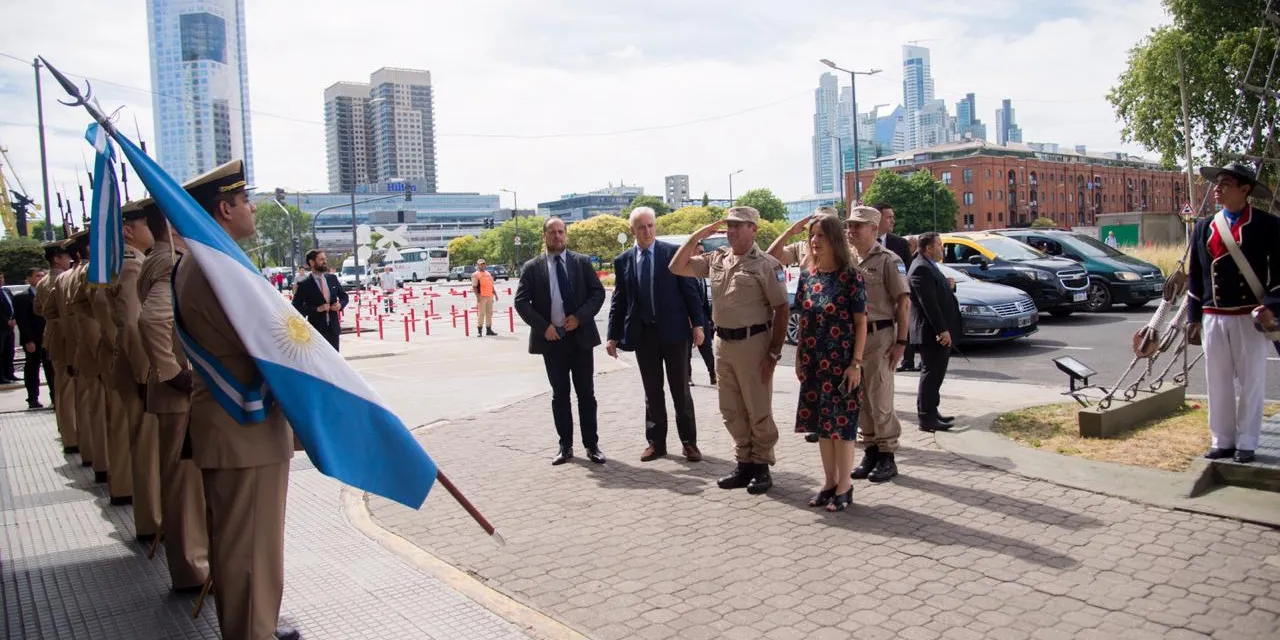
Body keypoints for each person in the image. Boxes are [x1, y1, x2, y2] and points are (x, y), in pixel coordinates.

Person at [173, 159, 299, 640]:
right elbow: (274, 343)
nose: (252, 207)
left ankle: (255, 627)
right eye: (246, 200)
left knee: (240, 547)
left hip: (229, 427)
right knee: (249, 550)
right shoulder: (216, 268)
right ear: (224, 209)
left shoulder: (199, 263)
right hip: (242, 427)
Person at [670, 207, 789, 495]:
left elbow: (782, 308)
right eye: (729, 226)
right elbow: (676, 266)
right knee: (730, 408)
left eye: (739, 226)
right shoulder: (718, 258)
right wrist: (700, 234)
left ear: (754, 229)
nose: (732, 231)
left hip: (754, 343)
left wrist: (773, 354)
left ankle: (761, 465)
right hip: (722, 343)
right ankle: (744, 462)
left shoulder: (766, 264)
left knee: (757, 407)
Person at [1186, 161, 1280, 464]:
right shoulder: (1204, 226)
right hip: (1214, 315)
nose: (1217, 188)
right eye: (1217, 183)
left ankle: (1248, 441)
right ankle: (1222, 439)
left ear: (1245, 189)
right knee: (1217, 380)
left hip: (1248, 315)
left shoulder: (1268, 225)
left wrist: (1273, 306)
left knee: (1252, 380)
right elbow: (1196, 274)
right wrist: (1193, 317)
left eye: (1225, 183)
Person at [137, 209, 210, 590]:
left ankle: (191, 561)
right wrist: (174, 374)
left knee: (179, 481)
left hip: (170, 389)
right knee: (184, 485)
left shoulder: (157, 259)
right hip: (178, 390)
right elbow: (151, 320)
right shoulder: (170, 262)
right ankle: (191, 568)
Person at [606, 207, 706, 462]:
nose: (647, 231)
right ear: (633, 231)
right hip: (644, 336)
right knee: (652, 391)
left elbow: (690, 292)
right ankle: (656, 443)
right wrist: (613, 335)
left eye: (650, 225)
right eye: (641, 227)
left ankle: (689, 443)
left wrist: (698, 325)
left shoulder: (672, 254)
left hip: (674, 333)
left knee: (680, 390)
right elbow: (619, 300)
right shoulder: (624, 260)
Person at [514, 217, 607, 465]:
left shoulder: (581, 263)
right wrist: (544, 327)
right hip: (552, 341)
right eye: (552, 232)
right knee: (560, 395)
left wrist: (579, 317)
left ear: (565, 235)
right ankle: (565, 446)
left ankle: (592, 445)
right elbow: (521, 302)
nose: (557, 236)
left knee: (586, 394)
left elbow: (598, 293)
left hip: (580, 339)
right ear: (544, 235)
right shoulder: (532, 268)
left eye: (561, 232)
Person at [793, 213, 867, 511]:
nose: (814, 241)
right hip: (813, 362)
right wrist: (799, 357)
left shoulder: (851, 276)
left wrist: (856, 363)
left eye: (821, 235)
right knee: (823, 427)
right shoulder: (808, 275)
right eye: (812, 235)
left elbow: (861, 322)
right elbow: (803, 321)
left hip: (841, 364)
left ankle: (845, 486)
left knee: (842, 427)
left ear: (835, 239)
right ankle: (829, 482)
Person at [845, 206, 910, 483]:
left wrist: (901, 342)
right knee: (859, 400)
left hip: (880, 336)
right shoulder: (846, 259)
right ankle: (870, 450)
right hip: (852, 338)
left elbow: (903, 302)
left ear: (874, 228)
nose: (851, 230)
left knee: (879, 398)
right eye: (849, 225)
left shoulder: (888, 260)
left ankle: (887, 456)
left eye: (858, 226)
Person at [110, 199, 161, 539]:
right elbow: (132, 325)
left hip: (125, 365)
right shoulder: (131, 266)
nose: (151, 230)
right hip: (139, 368)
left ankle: (151, 516)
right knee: (147, 448)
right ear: (129, 230)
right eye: (146, 224)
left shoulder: (130, 262)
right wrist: (147, 374)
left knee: (144, 445)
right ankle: (153, 520)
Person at [908, 232, 962, 432]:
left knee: (936, 374)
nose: (942, 248)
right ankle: (926, 417)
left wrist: (949, 286)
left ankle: (932, 411)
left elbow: (935, 292)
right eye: (939, 245)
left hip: (936, 332)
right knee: (931, 375)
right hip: (930, 333)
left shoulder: (929, 265)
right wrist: (942, 330)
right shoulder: (921, 268)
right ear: (928, 248)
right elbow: (928, 303)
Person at [37, 241, 78, 454]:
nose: (68, 259)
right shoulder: (60, 279)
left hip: (54, 337)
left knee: (62, 388)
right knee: (69, 389)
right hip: (65, 338)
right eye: (64, 256)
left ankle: (67, 431)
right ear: (56, 259)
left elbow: (40, 309)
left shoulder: (43, 281)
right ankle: (72, 436)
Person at [873, 202, 917, 373]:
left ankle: (907, 360)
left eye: (893, 217)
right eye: (889, 217)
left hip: (896, 303)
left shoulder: (899, 244)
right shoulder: (859, 244)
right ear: (877, 219)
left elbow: (908, 273)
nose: (893, 221)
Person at [292, 249, 348, 351]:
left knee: (335, 361)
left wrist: (340, 305)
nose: (325, 261)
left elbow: (344, 297)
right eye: (321, 259)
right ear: (312, 262)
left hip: (333, 329)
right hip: (316, 331)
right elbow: (296, 307)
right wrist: (317, 309)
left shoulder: (332, 279)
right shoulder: (305, 284)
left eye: (325, 259)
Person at [15, 268, 54, 409]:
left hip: (48, 337)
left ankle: (54, 397)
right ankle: (32, 398)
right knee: (33, 367)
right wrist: (28, 340)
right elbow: (22, 322)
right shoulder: (22, 297)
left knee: (50, 368)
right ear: (29, 279)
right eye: (37, 276)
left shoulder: (49, 293)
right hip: (33, 339)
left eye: (43, 275)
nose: (41, 278)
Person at [687, 240, 716, 386]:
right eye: (700, 252)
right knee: (686, 350)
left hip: (702, 317)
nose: (702, 255)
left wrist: (709, 319)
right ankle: (688, 376)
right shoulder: (684, 273)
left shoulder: (701, 273)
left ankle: (713, 374)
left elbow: (703, 299)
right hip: (687, 318)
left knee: (706, 348)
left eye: (703, 252)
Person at [472, 258, 499, 337]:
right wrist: (477, 296)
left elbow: (491, 285)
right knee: (481, 314)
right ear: (478, 265)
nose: (483, 265)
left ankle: (489, 329)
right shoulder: (475, 274)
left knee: (489, 313)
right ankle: (479, 330)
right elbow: (474, 287)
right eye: (481, 264)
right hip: (482, 296)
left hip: (490, 296)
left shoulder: (488, 273)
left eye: (484, 264)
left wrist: (495, 294)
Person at [0, 273, 17, 382]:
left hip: (10, 327)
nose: (1, 280)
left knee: (9, 351)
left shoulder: (6, 291)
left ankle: (10, 374)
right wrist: (7, 320)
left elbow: (13, 305)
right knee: (1, 352)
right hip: (1, 326)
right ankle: (1, 376)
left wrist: (15, 318)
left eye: (2, 277)